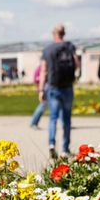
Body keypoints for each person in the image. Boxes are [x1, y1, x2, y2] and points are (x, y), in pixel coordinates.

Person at [38, 23, 79, 158]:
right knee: (67, 119)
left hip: (53, 86)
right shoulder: (69, 47)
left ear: (53, 34)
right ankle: (65, 149)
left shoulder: (48, 50)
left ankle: (51, 144)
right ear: (64, 34)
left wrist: (41, 89)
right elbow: (77, 64)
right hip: (67, 87)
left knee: (53, 118)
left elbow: (43, 70)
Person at [29, 63, 47, 129]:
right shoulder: (40, 69)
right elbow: (36, 80)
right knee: (42, 106)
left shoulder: (46, 67)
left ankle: (65, 123)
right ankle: (34, 123)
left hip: (48, 89)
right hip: (45, 90)